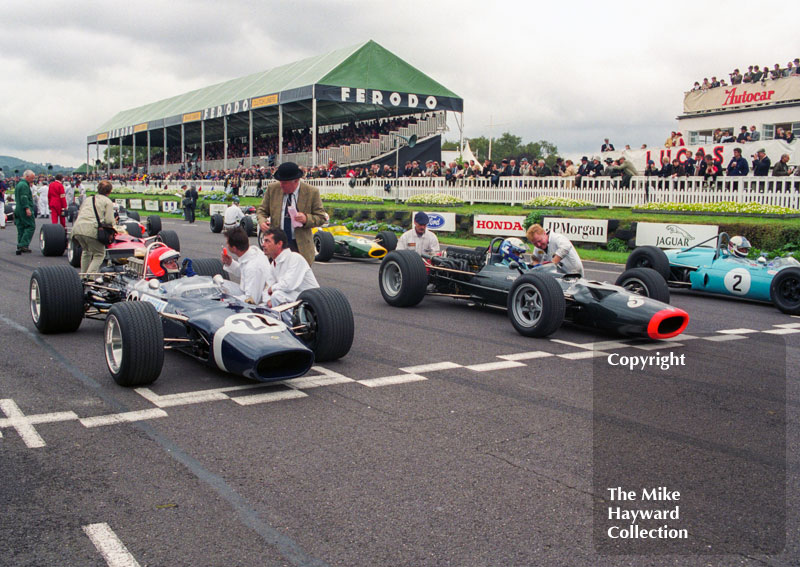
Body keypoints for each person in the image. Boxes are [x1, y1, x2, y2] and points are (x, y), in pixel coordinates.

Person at [256, 161, 327, 266]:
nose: (281, 185)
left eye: (285, 183)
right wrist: (262, 221)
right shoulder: (273, 189)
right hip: (277, 244)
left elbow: (321, 217)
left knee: (297, 280)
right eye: (280, 181)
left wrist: (306, 219)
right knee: (275, 278)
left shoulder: (311, 192)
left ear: (296, 181)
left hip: (299, 246)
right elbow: (262, 210)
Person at [260, 227, 319, 308]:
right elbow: (267, 289)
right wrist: (268, 301)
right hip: (296, 299)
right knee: (262, 307)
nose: (263, 244)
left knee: (277, 296)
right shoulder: (273, 264)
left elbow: (288, 285)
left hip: (313, 302)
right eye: (264, 241)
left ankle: (286, 321)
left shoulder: (295, 258)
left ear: (279, 244)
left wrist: (272, 289)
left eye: (267, 241)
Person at [71, 180, 115, 272]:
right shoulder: (107, 202)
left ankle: (83, 276)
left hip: (77, 229)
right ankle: (89, 276)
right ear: (109, 191)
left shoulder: (88, 199)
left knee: (86, 251)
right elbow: (109, 221)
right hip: (91, 229)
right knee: (99, 254)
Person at [220, 226, 270, 304]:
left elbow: (251, 300)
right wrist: (230, 263)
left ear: (234, 248)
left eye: (227, 243)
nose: (226, 245)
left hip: (257, 303)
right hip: (250, 291)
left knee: (220, 293)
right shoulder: (253, 252)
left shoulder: (253, 267)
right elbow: (244, 273)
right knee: (219, 283)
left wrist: (226, 300)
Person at [14, 170, 36, 255]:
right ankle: (23, 244)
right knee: (30, 226)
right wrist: (27, 208)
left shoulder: (19, 184)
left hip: (18, 208)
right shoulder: (24, 185)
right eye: (32, 178)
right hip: (23, 208)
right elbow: (24, 197)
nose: (33, 179)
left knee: (21, 228)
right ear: (27, 177)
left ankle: (20, 245)